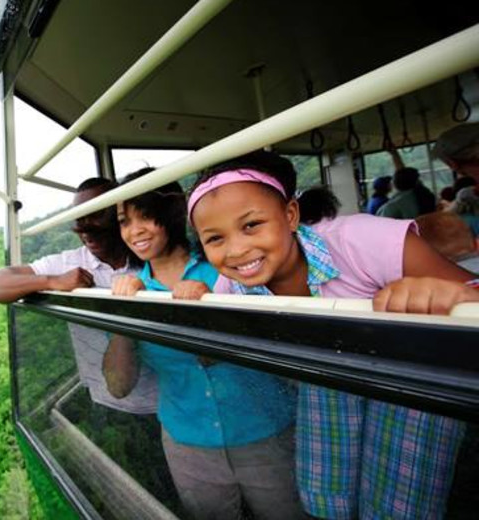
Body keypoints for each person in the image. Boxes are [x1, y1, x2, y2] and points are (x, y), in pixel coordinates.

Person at [186, 150, 479, 519]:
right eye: (215, 239)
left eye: (251, 225)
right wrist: (199, 301)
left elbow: (471, 294)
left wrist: (453, 300)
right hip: (330, 378)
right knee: (324, 498)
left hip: (414, 380)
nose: (237, 250)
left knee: (398, 509)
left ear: (290, 215)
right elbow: (212, 342)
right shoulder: (231, 282)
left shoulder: (361, 239)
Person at [103, 169, 303, 520]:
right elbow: (118, 386)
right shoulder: (132, 289)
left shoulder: (226, 266)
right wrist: (124, 317)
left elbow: (275, 344)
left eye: (146, 216)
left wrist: (211, 310)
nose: (135, 231)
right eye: (124, 221)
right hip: (188, 446)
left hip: (266, 433)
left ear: (171, 214)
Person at [0, 177, 158, 414]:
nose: (86, 228)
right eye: (80, 218)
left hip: (162, 398)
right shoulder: (69, 262)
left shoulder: (149, 255)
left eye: (97, 214)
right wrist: (53, 281)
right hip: (102, 400)